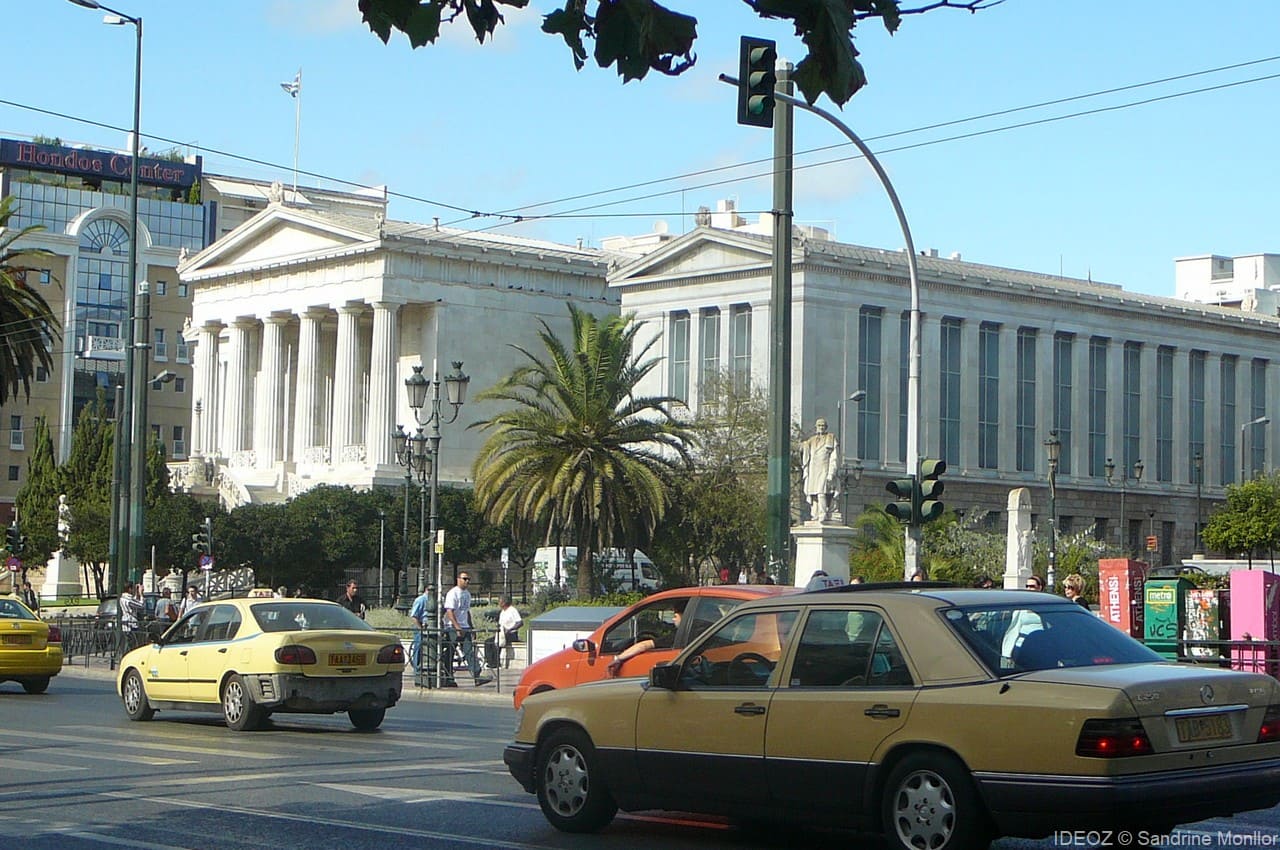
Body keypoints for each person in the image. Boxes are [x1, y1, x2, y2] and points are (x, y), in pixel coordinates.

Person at [607, 600, 686, 677]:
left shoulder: (679, 635)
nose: (673, 619)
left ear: (684, 615)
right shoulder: (694, 631)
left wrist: (618, 658)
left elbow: (644, 645)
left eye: (675, 616)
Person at [443, 573, 491, 686]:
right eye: (464, 579)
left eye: (468, 579)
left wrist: (471, 626)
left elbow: (467, 611)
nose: (467, 581)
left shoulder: (467, 594)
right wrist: (456, 626)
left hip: (465, 627)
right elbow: (449, 611)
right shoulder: (453, 593)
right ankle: (448, 678)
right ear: (458, 579)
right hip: (452, 627)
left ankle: (477, 676)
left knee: (469, 651)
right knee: (450, 653)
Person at [800, 418, 840, 522]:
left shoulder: (831, 438)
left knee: (821, 491)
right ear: (816, 427)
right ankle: (815, 514)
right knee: (813, 493)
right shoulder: (811, 440)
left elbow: (834, 457)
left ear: (826, 427)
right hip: (813, 469)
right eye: (819, 425)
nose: (821, 427)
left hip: (824, 469)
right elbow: (803, 449)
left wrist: (832, 472)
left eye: (823, 425)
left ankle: (823, 514)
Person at [408, 586, 436, 674]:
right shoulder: (420, 600)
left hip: (430, 627)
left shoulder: (435, 600)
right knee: (419, 647)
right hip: (421, 627)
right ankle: (417, 669)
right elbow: (414, 616)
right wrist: (420, 628)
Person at [496, 596, 523, 669]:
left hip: (511, 633)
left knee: (498, 641)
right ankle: (492, 662)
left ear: (504, 602)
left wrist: (510, 629)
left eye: (500, 602)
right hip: (502, 633)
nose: (499, 603)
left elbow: (520, 622)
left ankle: (497, 663)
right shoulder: (502, 612)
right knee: (489, 642)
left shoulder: (512, 610)